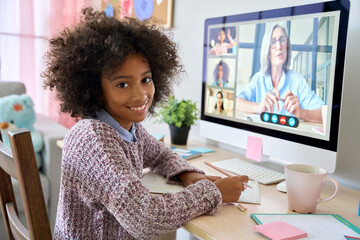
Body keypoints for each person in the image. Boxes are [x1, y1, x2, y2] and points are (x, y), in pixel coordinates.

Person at [42, 7, 249, 240]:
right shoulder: (94, 140)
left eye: (146, 79)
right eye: (123, 84)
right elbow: (144, 219)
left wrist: (187, 175)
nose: (141, 95)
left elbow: (160, 155)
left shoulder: (128, 128)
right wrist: (214, 192)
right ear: (95, 89)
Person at [237, 23, 324, 123]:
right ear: (267, 49)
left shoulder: (297, 80)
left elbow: (324, 114)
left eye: (282, 40)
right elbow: (237, 102)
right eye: (273, 42)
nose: (279, 46)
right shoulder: (258, 79)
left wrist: (301, 113)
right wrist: (258, 107)